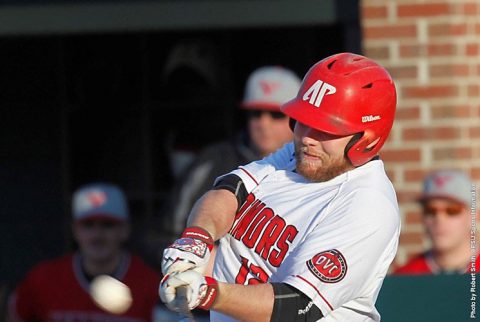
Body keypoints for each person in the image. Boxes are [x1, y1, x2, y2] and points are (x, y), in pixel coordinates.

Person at [159, 52, 400, 321]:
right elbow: (231, 189)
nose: (307, 137)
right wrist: (197, 238)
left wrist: (209, 293)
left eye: (325, 129)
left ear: (366, 139)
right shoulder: (299, 154)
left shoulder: (368, 207)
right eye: (303, 121)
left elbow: (296, 307)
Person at [162, 66, 301, 237]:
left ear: (297, 119)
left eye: (276, 115)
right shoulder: (213, 160)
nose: (264, 123)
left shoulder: (315, 168)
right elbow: (171, 228)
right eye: (256, 114)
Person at [8, 183, 160, 322]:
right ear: (75, 230)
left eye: (107, 225)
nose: (97, 235)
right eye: (88, 225)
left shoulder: (151, 285)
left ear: (125, 229)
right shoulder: (43, 279)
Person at [395, 170, 478, 275]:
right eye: (430, 210)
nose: (439, 219)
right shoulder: (405, 277)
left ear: (473, 216)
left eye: (452, 210)